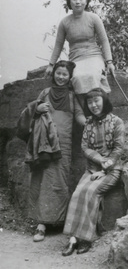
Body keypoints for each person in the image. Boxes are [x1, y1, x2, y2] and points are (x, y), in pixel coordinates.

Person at [18, 60, 86, 242]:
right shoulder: (45, 93)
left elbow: (79, 114)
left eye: (65, 74)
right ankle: (41, 225)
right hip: (43, 144)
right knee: (41, 180)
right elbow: (29, 111)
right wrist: (37, 109)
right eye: (59, 73)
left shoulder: (72, 96)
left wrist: (88, 123)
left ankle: (60, 221)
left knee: (59, 181)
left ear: (70, 77)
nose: (61, 77)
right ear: (54, 73)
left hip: (63, 145)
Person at [62, 88, 125, 256]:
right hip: (92, 169)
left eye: (97, 101)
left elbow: (118, 149)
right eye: (90, 102)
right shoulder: (88, 123)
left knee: (90, 191)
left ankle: (86, 238)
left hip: (112, 169)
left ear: (104, 101)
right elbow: (85, 147)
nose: (94, 105)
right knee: (77, 193)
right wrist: (99, 161)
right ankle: (73, 239)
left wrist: (105, 168)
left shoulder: (117, 121)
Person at [45, 0, 115, 109]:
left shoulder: (93, 18)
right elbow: (58, 45)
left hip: (94, 55)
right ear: (69, 2)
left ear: (86, 1)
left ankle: (101, 112)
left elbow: (104, 40)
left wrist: (109, 62)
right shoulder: (65, 22)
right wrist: (51, 65)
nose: (78, 2)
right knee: (77, 77)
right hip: (76, 58)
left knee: (93, 75)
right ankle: (86, 113)